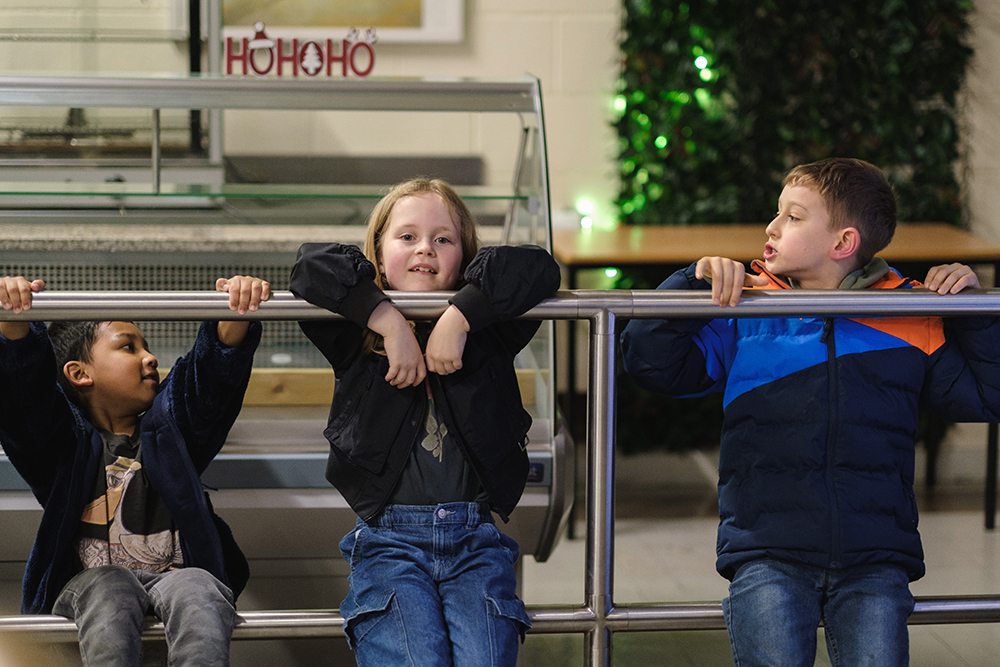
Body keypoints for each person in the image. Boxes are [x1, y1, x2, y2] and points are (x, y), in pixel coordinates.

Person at [620, 157, 1000, 666]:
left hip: (875, 555)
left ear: (843, 243)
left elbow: (987, 396)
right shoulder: (745, 308)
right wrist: (692, 281)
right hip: (766, 550)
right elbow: (651, 365)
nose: (772, 227)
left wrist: (971, 311)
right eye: (777, 213)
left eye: (793, 217)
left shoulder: (911, 311)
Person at [288, 178, 561, 667]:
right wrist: (389, 322)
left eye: (443, 239)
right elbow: (310, 266)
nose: (425, 249)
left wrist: (459, 319)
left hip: (475, 541)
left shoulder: (489, 333)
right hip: (387, 543)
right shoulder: (354, 335)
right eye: (407, 236)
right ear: (378, 252)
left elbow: (538, 267)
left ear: (466, 258)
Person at [0, 274, 271, 667]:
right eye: (128, 347)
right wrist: (13, 319)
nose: (150, 357)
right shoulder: (62, 447)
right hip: (90, 593)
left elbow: (210, 382)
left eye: (146, 346)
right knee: (110, 582)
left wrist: (236, 310)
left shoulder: (172, 432)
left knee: (199, 583)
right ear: (79, 373)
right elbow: (26, 398)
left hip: (176, 582)